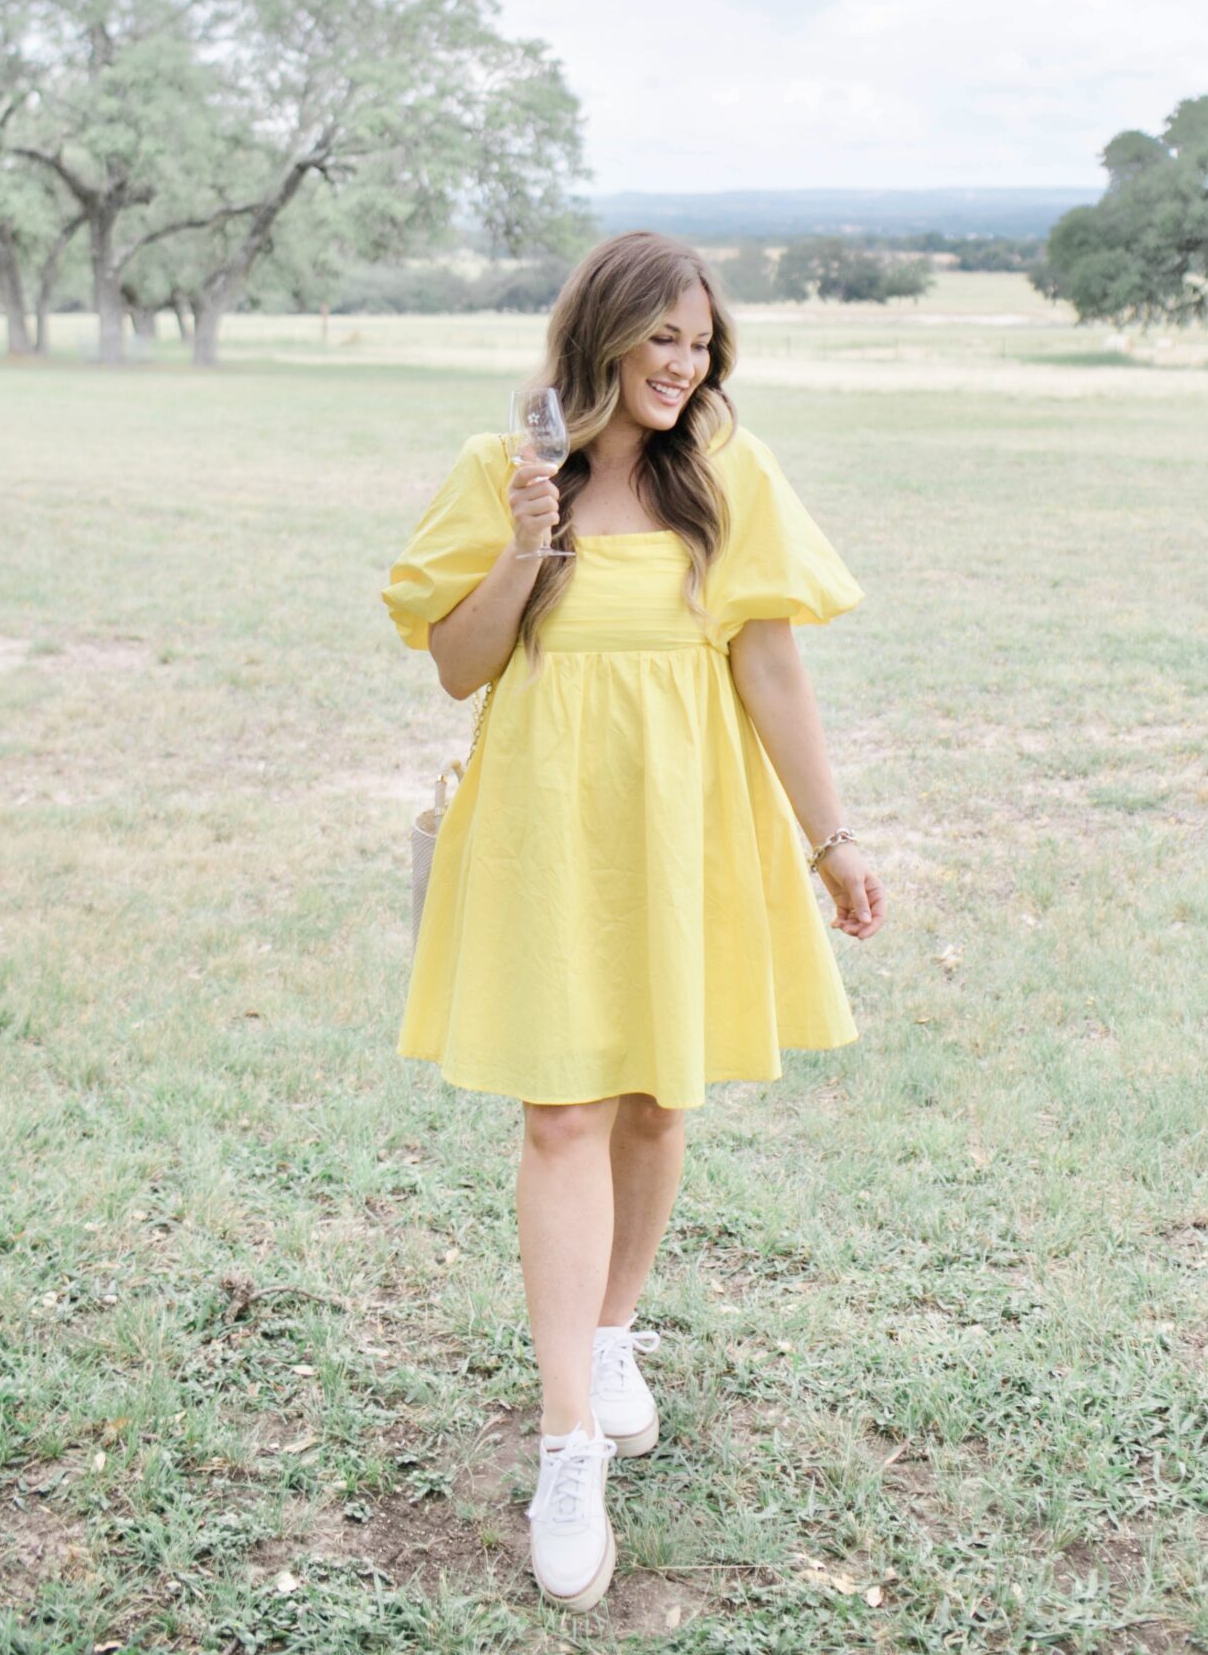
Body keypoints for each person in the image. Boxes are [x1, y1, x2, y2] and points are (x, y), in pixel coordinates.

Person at [382, 230, 884, 1613]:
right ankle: (566, 1450)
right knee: (561, 1116)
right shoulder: (506, 471)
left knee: (659, 1103)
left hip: (687, 825)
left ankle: (612, 1336)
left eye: (702, 341)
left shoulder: (728, 474)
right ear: (601, 333)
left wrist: (831, 841)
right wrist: (525, 550)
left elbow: (771, 665)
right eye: (662, 337)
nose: (685, 364)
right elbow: (457, 668)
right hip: (546, 823)